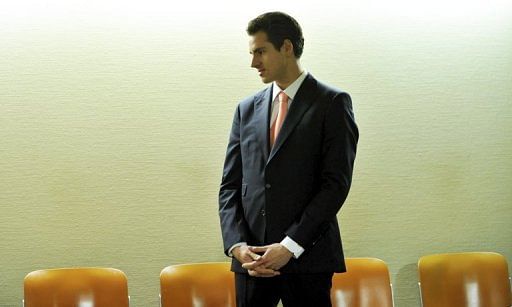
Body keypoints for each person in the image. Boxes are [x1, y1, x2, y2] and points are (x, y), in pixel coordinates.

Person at [218, 11, 358, 307]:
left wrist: (290, 246)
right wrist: (236, 246)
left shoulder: (332, 103)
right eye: (252, 53)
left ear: (286, 47)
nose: (253, 62)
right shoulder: (245, 109)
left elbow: (334, 186)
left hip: (308, 258)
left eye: (260, 52)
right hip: (251, 263)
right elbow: (230, 186)